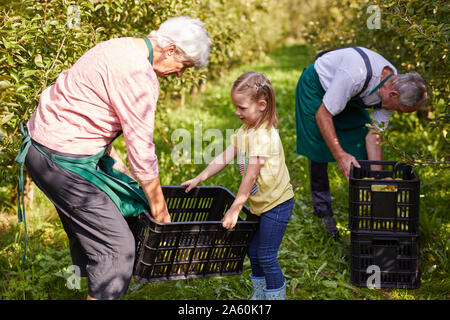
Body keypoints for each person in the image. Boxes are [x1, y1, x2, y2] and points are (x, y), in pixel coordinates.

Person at [15, 16, 210, 300]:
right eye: (183, 67)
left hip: (40, 148)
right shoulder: (140, 77)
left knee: (105, 231)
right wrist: (159, 210)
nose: (180, 75)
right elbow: (141, 150)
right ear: (170, 51)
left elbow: (89, 113)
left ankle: (96, 281)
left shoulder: (116, 47)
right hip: (62, 162)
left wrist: (122, 173)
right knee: (117, 250)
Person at [181, 71, 295, 300]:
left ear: (261, 105)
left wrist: (234, 208)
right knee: (252, 251)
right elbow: (224, 156)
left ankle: (276, 297)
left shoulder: (264, 136)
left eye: (242, 107)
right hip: (259, 204)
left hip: (277, 203)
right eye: (236, 106)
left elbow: (250, 177)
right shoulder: (246, 131)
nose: (237, 112)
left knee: (266, 256)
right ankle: (260, 294)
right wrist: (200, 177)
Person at [294, 46, 428, 238]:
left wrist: (378, 182)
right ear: (393, 95)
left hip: (350, 95)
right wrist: (340, 156)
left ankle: (368, 207)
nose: (397, 113)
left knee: (359, 140)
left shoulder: (395, 84)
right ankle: (323, 212)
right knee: (319, 146)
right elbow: (324, 114)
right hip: (316, 87)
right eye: (399, 109)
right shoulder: (355, 74)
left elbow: (374, 135)